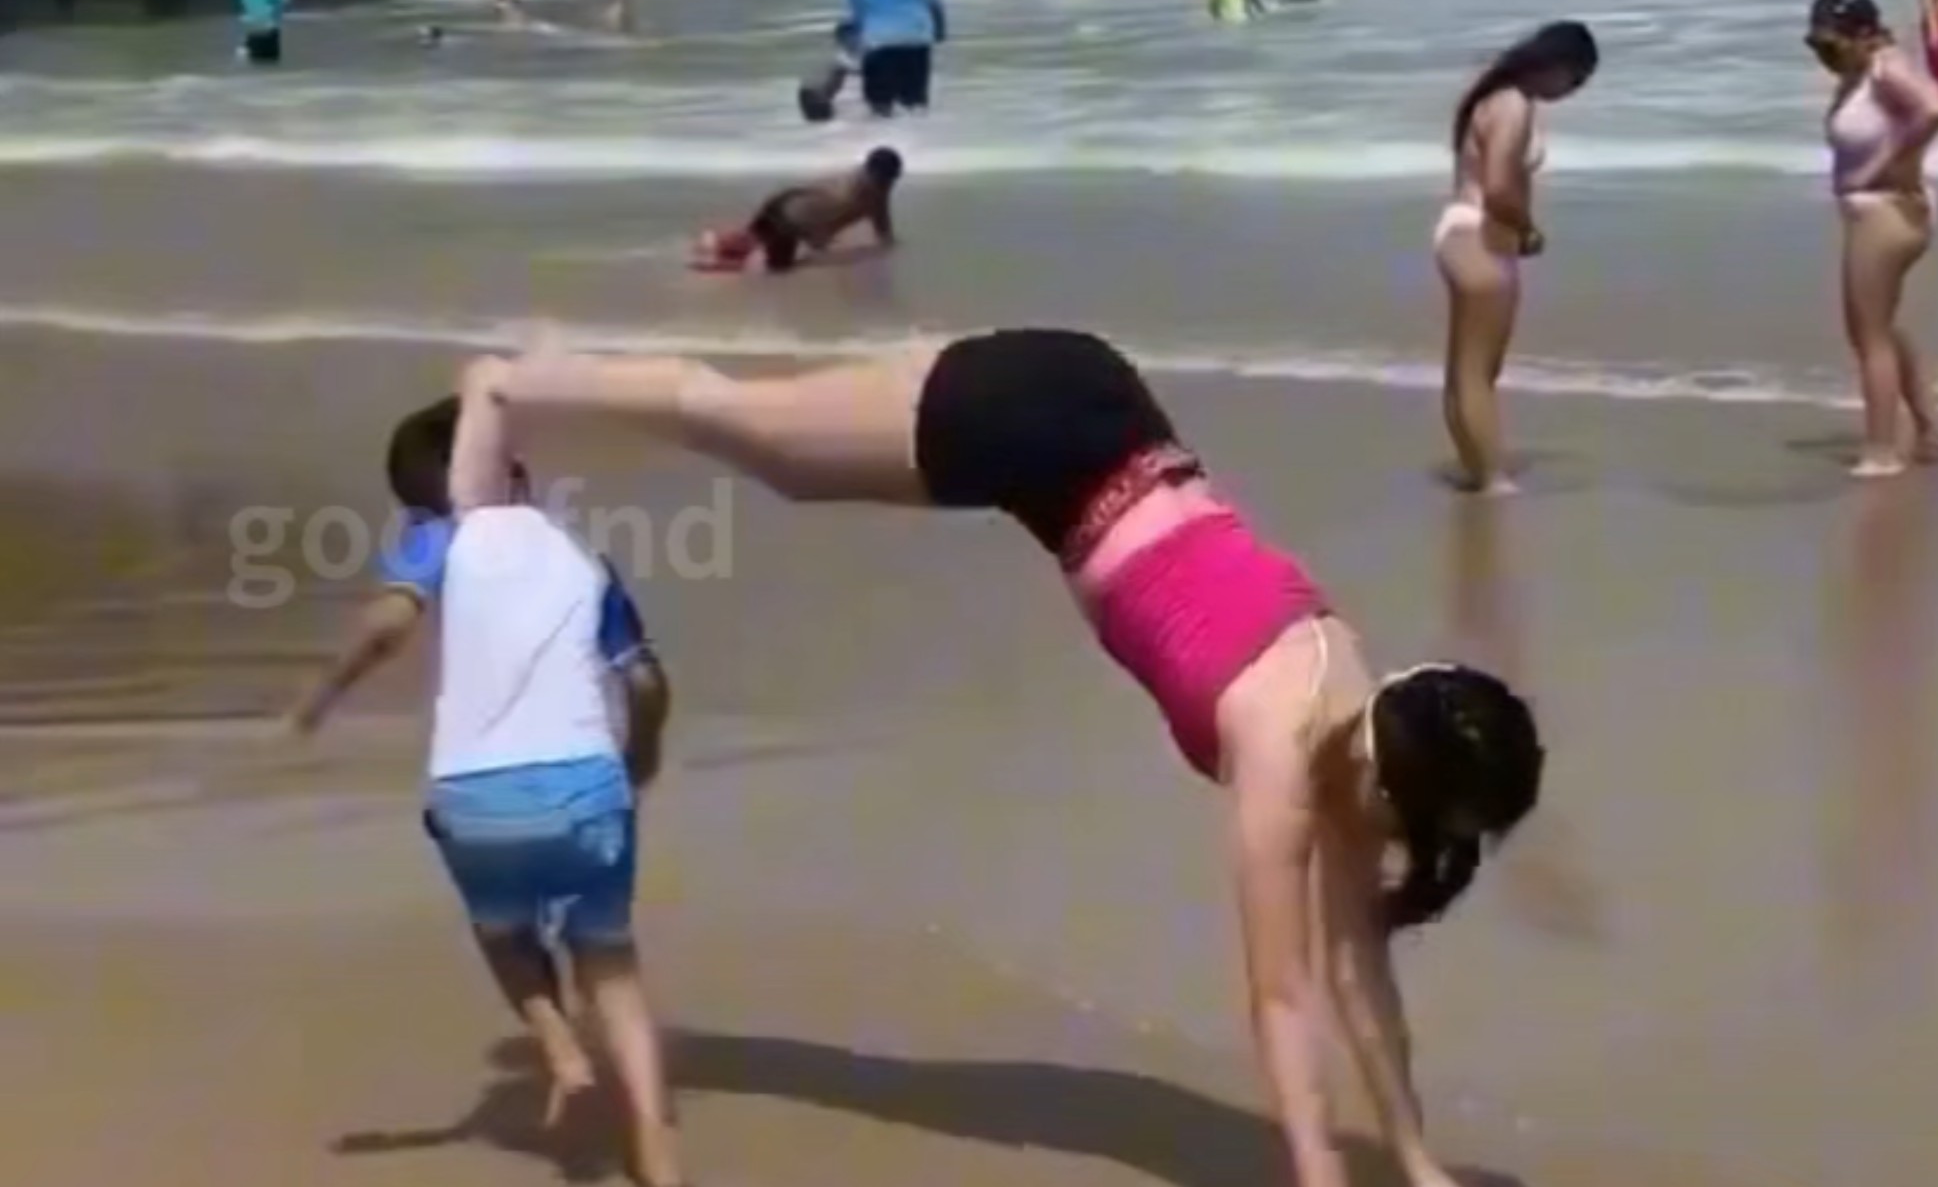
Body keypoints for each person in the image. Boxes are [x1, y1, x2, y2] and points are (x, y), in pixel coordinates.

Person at [458, 329, 1548, 1187]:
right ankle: (515, 381)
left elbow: (1358, 972)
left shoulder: (1366, 707)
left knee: (763, 430)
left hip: (1094, 408)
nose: (1412, 848)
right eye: (1426, 825)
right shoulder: (1286, 743)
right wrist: (1317, 1176)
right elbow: (1283, 998)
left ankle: (551, 379)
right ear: (1391, 785)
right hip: (1029, 429)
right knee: (757, 437)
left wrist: (1415, 1165)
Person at [284, 396, 683, 1187]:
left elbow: (387, 626)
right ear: (518, 476)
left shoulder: (436, 539)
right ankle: (652, 1142)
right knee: (610, 965)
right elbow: (645, 681)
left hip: (474, 803)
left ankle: (559, 1046)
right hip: (589, 790)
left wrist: (320, 696)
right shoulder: (581, 556)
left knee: (501, 930)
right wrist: (641, 758)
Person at [1434, 21, 1599, 496]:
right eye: (1576, 79)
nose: (1572, 91)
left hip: (1460, 229)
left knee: (1464, 370)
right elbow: (1501, 186)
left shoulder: (1489, 94)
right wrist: (1528, 230)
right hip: (1483, 235)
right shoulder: (1514, 105)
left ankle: (1477, 468)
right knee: (1478, 372)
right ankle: (1491, 479)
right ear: (1557, 65)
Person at [1807, 0, 1938, 480]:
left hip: (1885, 212)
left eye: (1831, 44)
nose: (1824, 56)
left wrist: (1889, 165)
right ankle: (1929, 430)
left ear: (1864, 35)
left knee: (1867, 336)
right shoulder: (1861, 72)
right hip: (1876, 210)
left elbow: (1934, 109)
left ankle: (1882, 450)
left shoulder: (1885, 67)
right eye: (1815, 45)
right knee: (1881, 328)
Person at [692, 147, 905, 274]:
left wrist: (887, 242)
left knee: (754, 243)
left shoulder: (871, 188)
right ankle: (711, 261)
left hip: (788, 213)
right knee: (770, 266)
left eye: (890, 180)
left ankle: (713, 245)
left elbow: (880, 220)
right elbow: (827, 216)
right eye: (884, 180)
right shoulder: (849, 190)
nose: (887, 185)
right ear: (871, 173)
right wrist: (818, 240)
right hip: (788, 221)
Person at [818, 0, 948, 119]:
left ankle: (883, 130)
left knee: (880, 107)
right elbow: (933, 2)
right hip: (916, 42)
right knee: (915, 105)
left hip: (878, 44)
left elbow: (855, 14)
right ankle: (918, 134)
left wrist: (850, 43)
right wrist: (939, 31)